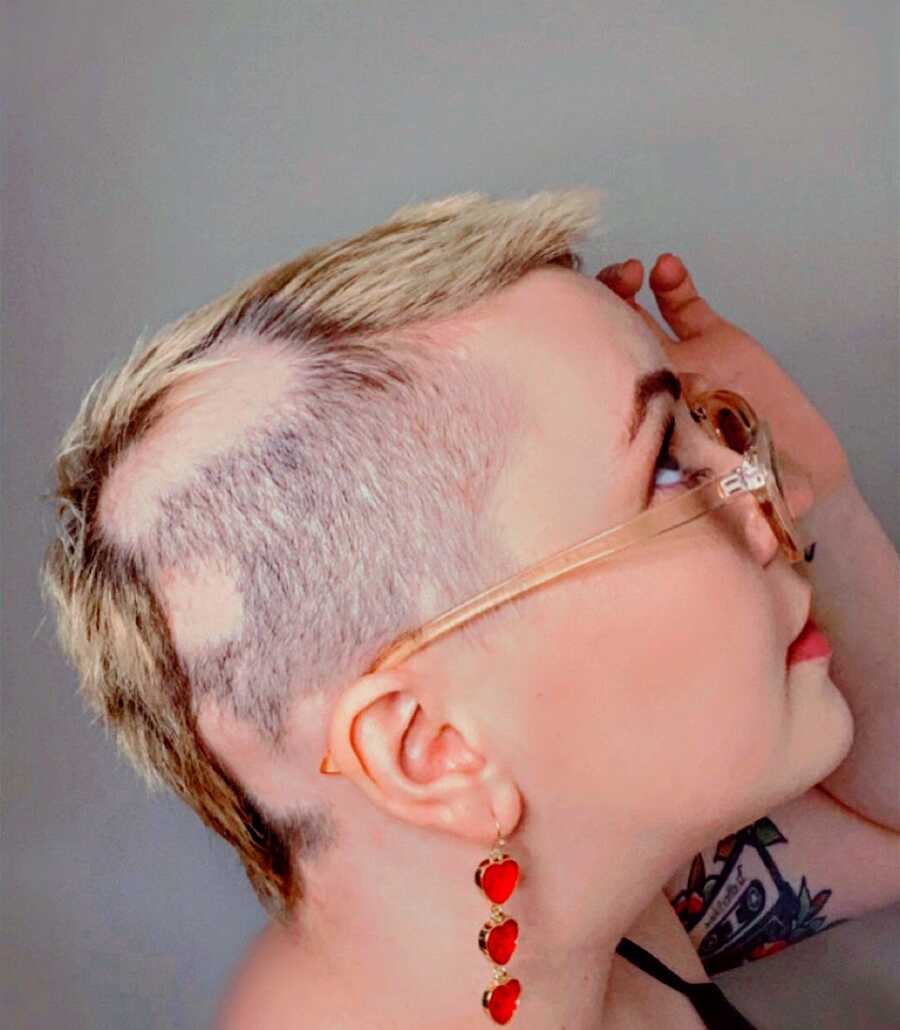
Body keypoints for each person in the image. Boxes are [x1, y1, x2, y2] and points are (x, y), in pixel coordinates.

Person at [41, 190, 899, 1029]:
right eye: (668, 469)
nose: (773, 490)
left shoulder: (577, 911)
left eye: (724, 431)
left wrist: (823, 483)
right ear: (431, 747)